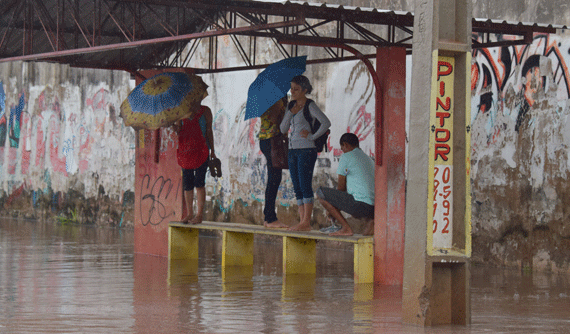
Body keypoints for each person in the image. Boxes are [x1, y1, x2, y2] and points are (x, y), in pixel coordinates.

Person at [280, 75, 331, 231]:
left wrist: (312, 137)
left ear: (305, 90)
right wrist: (291, 112)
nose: (292, 91)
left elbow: (326, 122)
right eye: (291, 88)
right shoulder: (291, 106)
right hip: (292, 150)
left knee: (304, 184)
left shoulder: (310, 105)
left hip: (306, 150)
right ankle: (302, 221)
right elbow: (282, 129)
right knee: (297, 186)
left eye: (296, 89)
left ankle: (306, 222)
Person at [317, 133, 374, 236]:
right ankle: (371, 223)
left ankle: (346, 228)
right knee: (366, 236)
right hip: (373, 209)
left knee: (320, 192)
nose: (342, 151)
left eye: (342, 148)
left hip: (359, 206)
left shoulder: (346, 157)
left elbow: (341, 188)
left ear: (345, 145)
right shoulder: (368, 159)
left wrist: (332, 209)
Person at [173, 103, 216, 224]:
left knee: (199, 182)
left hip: (202, 151)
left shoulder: (206, 111)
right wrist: (172, 125)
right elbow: (178, 131)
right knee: (187, 183)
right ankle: (190, 213)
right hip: (185, 152)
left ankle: (199, 215)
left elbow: (209, 131)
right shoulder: (180, 112)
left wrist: (212, 150)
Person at [259, 97, 288, 229]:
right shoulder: (275, 100)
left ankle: (268, 217)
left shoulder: (264, 98)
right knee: (274, 177)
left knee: (274, 177)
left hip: (266, 139)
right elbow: (273, 120)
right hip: (272, 140)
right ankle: (270, 218)